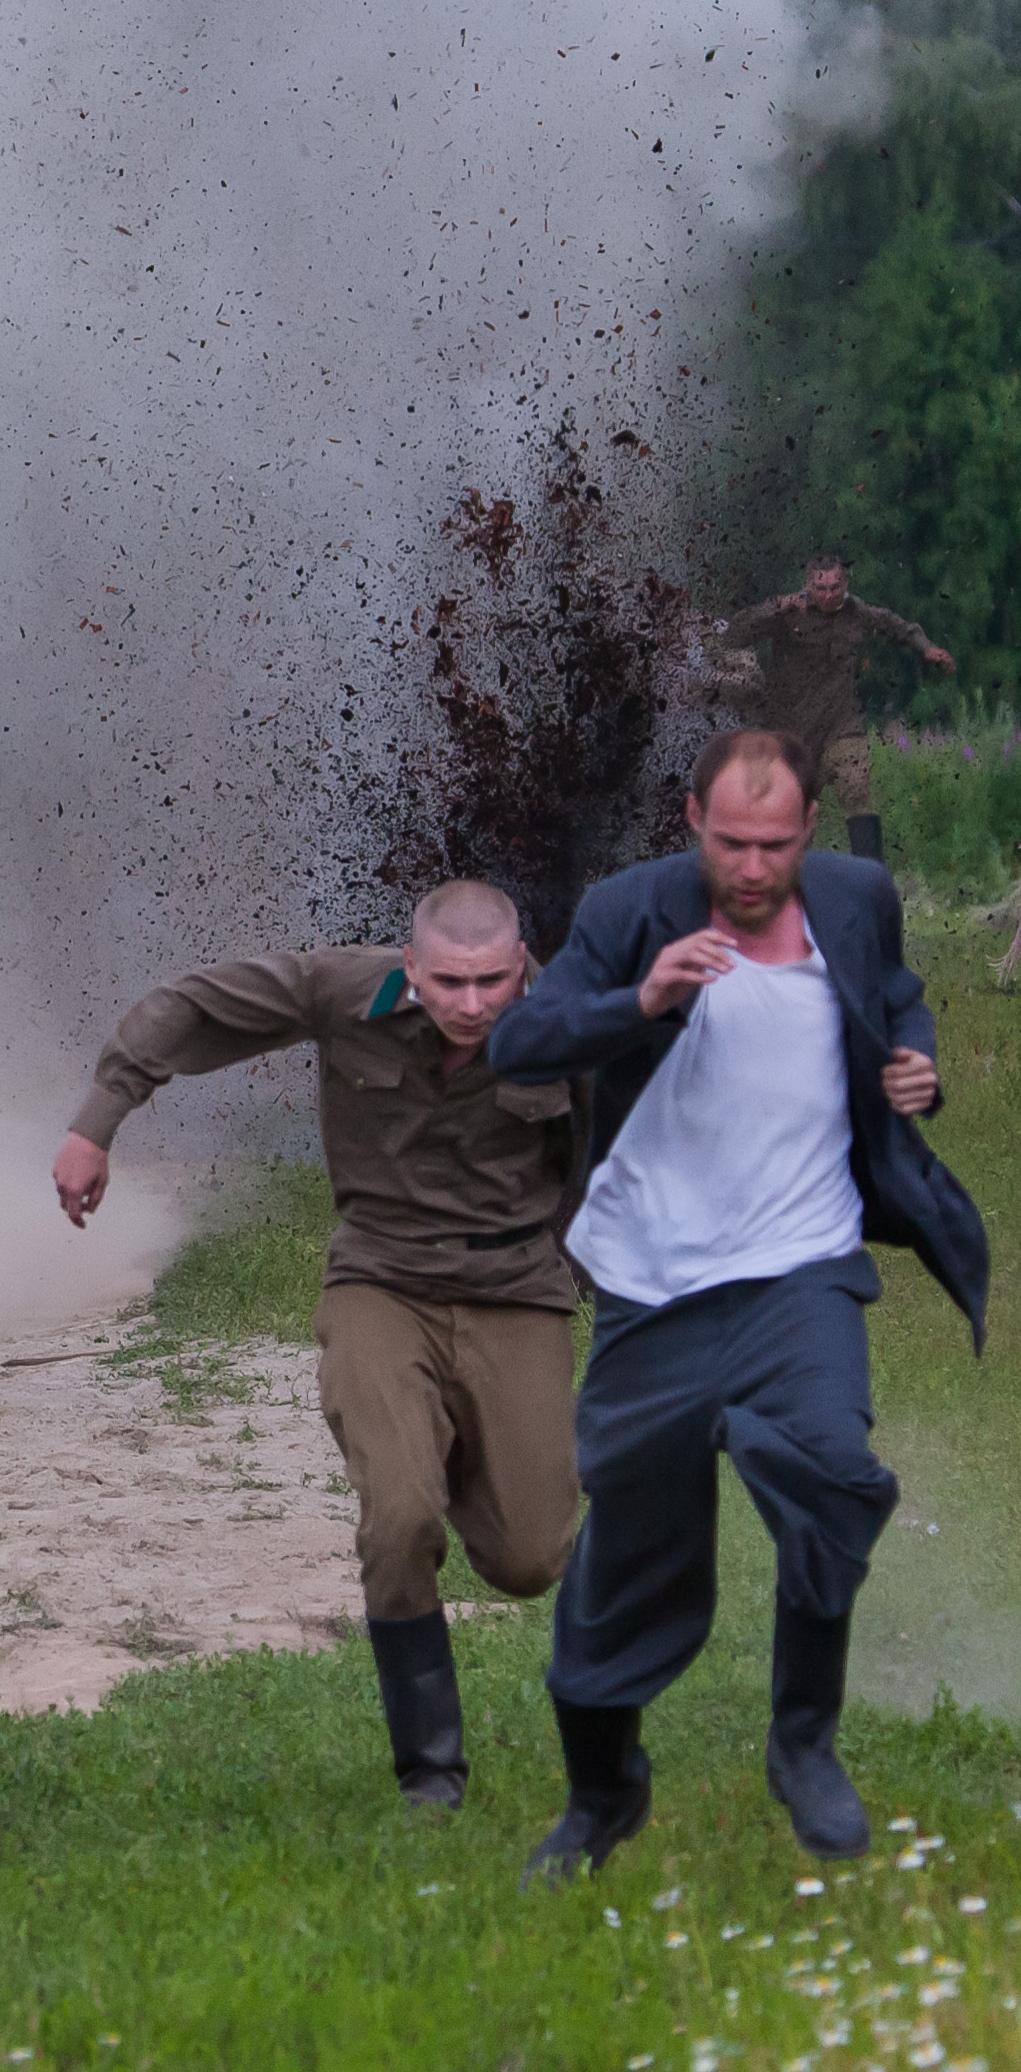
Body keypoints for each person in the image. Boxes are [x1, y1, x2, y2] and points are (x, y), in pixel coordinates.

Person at [489, 728, 987, 1881]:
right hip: (655, 1285)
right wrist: (640, 1000)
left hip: (798, 1270)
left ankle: (802, 1742)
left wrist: (916, 1059)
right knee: (627, 1568)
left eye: (773, 844)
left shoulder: (857, 897)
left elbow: (894, 998)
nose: (751, 868)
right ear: (689, 821)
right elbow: (518, 1042)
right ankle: (600, 1797)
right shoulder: (631, 912)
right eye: (729, 842)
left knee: (830, 1471)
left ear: (810, 827)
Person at [51, 881, 583, 1811]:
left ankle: (457, 1448)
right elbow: (188, 1006)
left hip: (514, 1292)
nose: (469, 1004)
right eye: (448, 982)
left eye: (491, 982)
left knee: (530, 1558)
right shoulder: (346, 991)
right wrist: (96, 1123)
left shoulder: (573, 1016)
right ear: (410, 967)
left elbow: (630, 1148)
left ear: (521, 964)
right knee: (399, 1522)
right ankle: (430, 1771)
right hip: (382, 1282)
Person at [722, 554, 954, 862]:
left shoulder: (856, 612)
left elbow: (899, 626)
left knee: (856, 785)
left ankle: (871, 874)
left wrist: (927, 649)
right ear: (807, 586)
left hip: (841, 726)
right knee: (793, 815)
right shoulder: (788, 613)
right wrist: (776, 606)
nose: (829, 595)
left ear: (845, 584)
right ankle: (785, 885)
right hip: (792, 734)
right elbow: (735, 635)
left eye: (835, 587)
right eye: (821, 589)